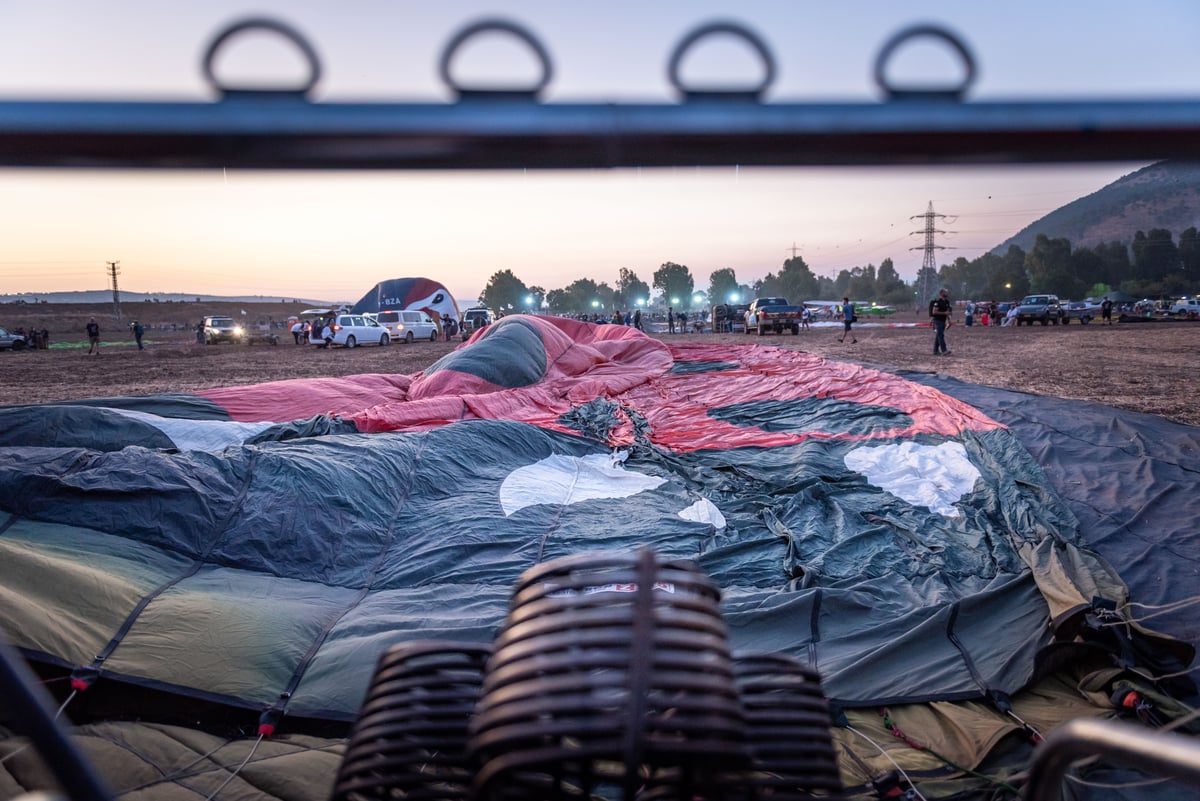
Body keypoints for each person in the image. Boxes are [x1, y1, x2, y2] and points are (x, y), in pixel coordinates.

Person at [929, 288, 952, 355]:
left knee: (938, 335)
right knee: (940, 335)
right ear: (941, 293)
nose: (947, 293)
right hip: (938, 320)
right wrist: (944, 313)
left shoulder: (947, 302)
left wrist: (949, 320)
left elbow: (947, 312)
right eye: (945, 292)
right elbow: (934, 312)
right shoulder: (938, 302)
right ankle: (944, 350)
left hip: (943, 320)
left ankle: (935, 351)